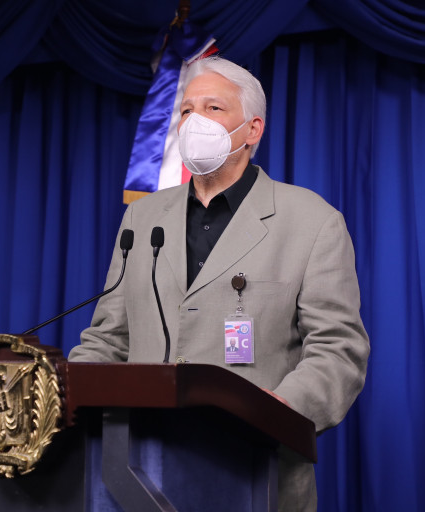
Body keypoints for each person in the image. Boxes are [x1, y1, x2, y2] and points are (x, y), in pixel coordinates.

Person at [68, 56, 370, 511]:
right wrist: (66, 400)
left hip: (255, 471)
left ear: (252, 130)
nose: (195, 121)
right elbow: (109, 339)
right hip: (136, 473)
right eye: (187, 110)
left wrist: (276, 409)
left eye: (213, 108)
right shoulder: (142, 218)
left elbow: (338, 349)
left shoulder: (312, 221)